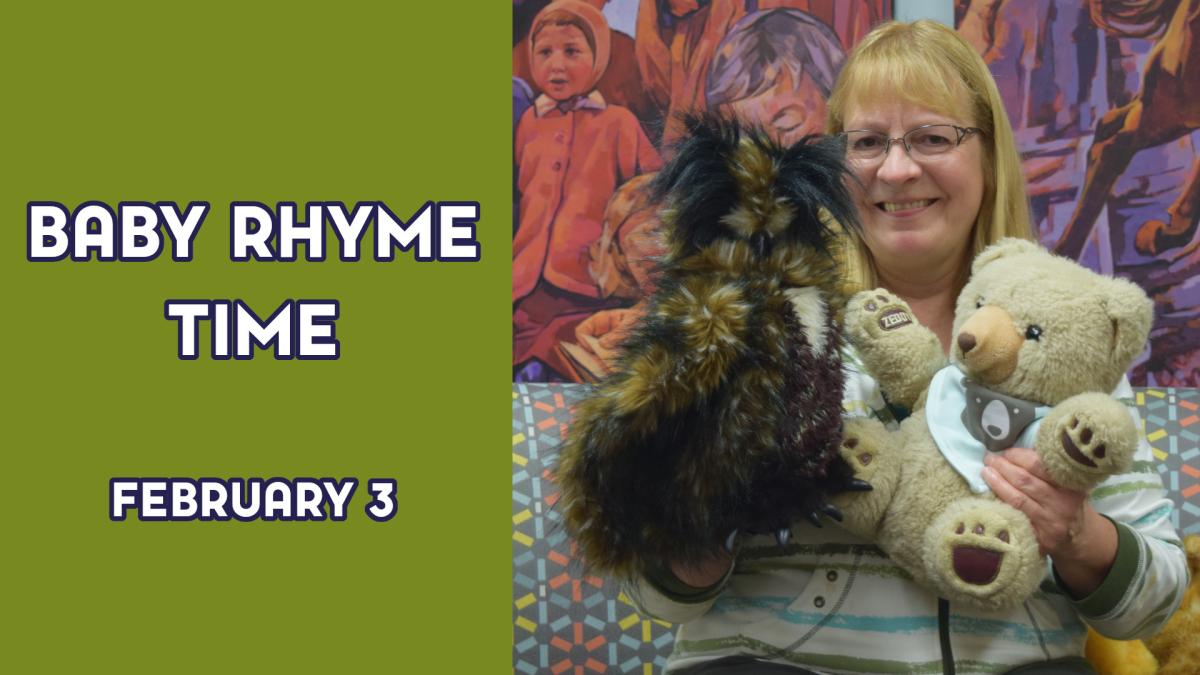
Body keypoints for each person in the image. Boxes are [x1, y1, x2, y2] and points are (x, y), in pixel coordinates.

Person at [626, 20, 1188, 674]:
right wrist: (709, 505)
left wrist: (1076, 532)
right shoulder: (754, 316)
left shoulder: (1069, 335)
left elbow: (1155, 604)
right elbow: (654, 592)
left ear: (988, 155)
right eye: (866, 142)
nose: (896, 169)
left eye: (931, 137)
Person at [513, 0, 663, 382]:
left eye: (572, 51)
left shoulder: (618, 123)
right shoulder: (529, 123)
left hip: (588, 284)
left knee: (569, 358)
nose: (556, 65)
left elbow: (654, 189)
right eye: (544, 52)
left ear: (598, 57)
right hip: (526, 281)